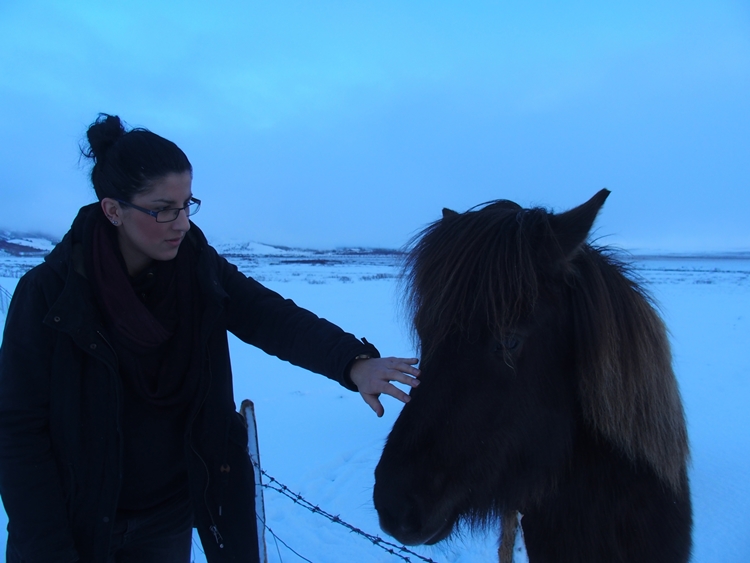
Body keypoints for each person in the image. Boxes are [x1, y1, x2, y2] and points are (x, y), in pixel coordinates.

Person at [0, 114, 420, 563]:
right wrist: (49, 548)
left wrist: (353, 363)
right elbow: (17, 430)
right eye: (162, 209)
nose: (181, 223)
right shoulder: (51, 294)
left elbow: (269, 316)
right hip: (77, 524)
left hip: (166, 520)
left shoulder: (197, 269)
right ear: (113, 210)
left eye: (187, 204)